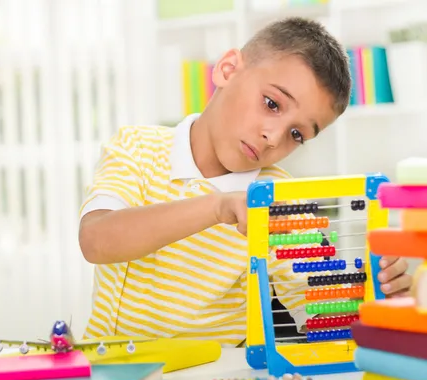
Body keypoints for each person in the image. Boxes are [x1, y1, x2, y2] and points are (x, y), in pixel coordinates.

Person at [77, 17, 412, 347]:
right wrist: (218, 205)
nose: (273, 137)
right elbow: (96, 240)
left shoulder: (281, 204)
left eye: (296, 134)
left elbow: (329, 322)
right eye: (272, 104)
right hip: (112, 371)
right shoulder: (137, 147)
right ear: (227, 69)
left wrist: (382, 300)